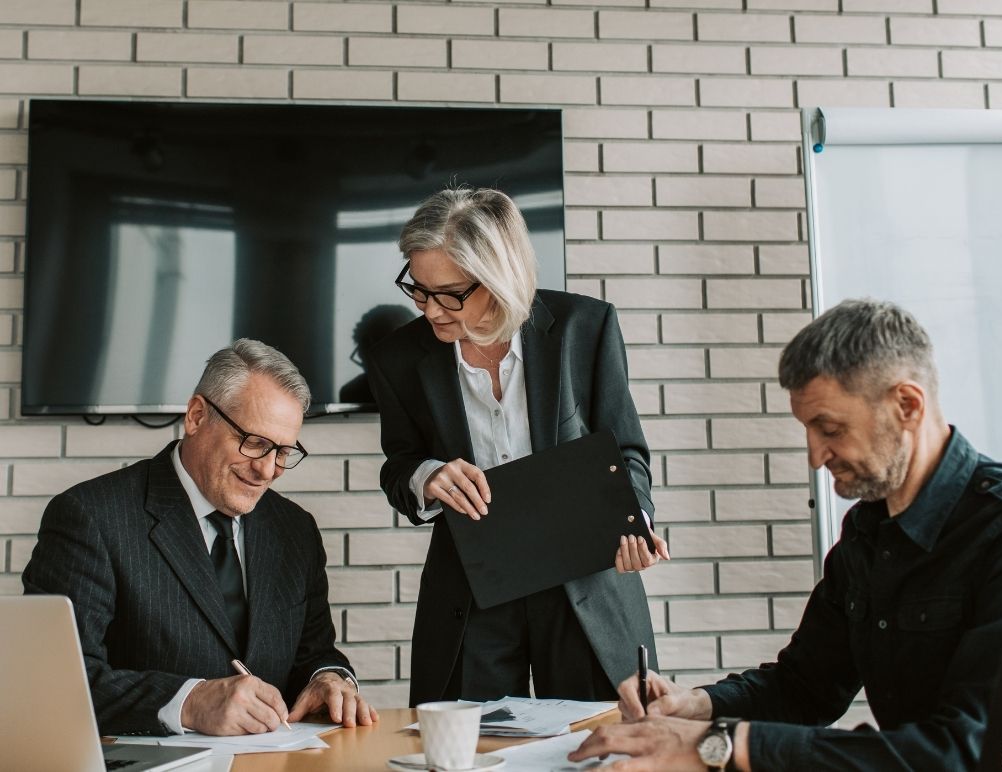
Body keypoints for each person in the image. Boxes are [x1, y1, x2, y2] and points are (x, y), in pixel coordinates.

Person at [569, 299, 1002, 771]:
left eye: (830, 429)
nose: (815, 456)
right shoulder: (867, 529)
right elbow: (805, 688)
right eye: (808, 432)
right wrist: (696, 705)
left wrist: (717, 745)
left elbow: (969, 751)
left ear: (907, 405)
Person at [367, 187, 671, 706]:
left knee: (601, 745)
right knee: (467, 750)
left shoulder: (586, 328)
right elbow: (399, 465)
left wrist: (635, 518)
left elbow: (626, 452)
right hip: (472, 587)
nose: (430, 309)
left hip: (587, 580)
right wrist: (427, 477)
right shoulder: (397, 358)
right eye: (418, 290)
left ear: (499, 278)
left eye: (449, 293)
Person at [23, 339, 378, 737]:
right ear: (196, 416)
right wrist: (189, 702)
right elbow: (53, 678)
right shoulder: (91, 517)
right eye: (255, 443)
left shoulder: (295, 529)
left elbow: (314, 652)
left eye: (282, 451)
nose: (267, 470)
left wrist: (328, 678)